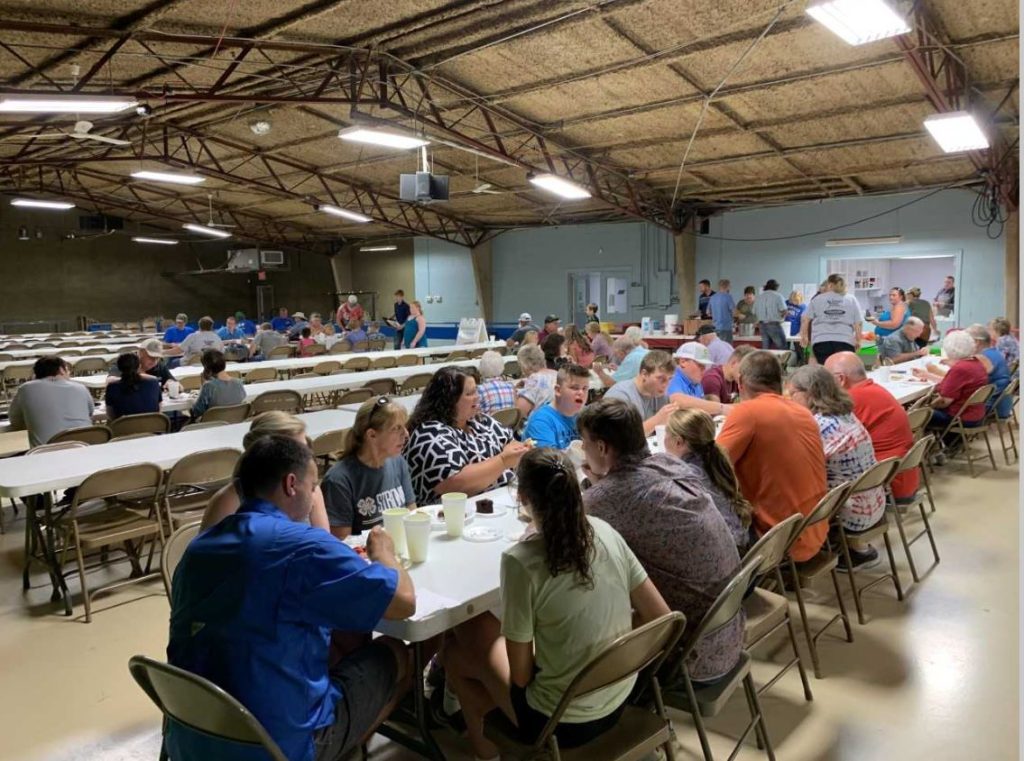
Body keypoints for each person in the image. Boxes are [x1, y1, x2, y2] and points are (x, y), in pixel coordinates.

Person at [167, 435, 416, 761]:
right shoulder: (301, 545)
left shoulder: (199, 548)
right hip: (277, 746)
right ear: (291, 484)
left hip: (194, 734)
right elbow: (404, 602)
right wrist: (386, 552)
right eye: (313, 487)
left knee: (338, 641)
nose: (316, 496)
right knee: (396, 652)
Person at [440, 448, 670, 759]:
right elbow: (660, 616)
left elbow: (521, 677)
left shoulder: (520, 561)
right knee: (463, 656)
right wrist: (612, 653)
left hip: (560, 721)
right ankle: (494, 745)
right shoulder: (605, 532)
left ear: (522, 497)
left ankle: (491, 751)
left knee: (459, 646)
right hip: (621, 694)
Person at [578, 398, 743, 683]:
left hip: (689, 655)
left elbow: (549, 532)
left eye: (585, 443)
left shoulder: (605, 498)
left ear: (602, 447)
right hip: (728, 634)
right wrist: (601, 485)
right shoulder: (669, 464)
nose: (583, 449)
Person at [717, 351, 828, 562]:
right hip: (813, 529)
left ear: (740, 382)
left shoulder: (748, 412)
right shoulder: (803, 412)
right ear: (781, 381)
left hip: (778, 540)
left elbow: (711, 465)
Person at [787, 366, 885, 570]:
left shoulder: (819, 425)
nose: (789, 399)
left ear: (809, 393)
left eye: (792, 394)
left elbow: (794, 469)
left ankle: (794, 558)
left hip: (851, 513)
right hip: (874, 502)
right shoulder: (845, 414)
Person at [404, 366, 529, 505]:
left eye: (476, 391)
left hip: (499, 502)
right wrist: (502, 461)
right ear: (449, 400)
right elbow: (457, 484)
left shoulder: (480, 420)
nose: (477, 397)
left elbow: (511, 443)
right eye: (469, 394)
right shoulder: (428, 435)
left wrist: (503, 459)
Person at [202, 410, 332, 531]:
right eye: (298, 451)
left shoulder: (309, 487)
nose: (306, 457)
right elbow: (207, 553)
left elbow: (326, 542)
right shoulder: (229, 500)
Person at [825, 352, 919, 504]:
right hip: (901, 477)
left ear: (840, 379)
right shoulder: (874, 390)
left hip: (885, 484)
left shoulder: (852, 400)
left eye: (826, 378)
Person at [322, 397, 417, 540]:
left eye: (404, 426)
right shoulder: (339, 480)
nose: (406, 434)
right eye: (396, 428)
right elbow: (341, 545)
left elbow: (412, 515)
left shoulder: (398, 462)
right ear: (372, 435)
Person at [662, 408, 754, 550]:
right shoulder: (714, 459)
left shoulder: (686, 476)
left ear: (678, 442)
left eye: (666, 433)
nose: (664, 438)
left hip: (726, 550)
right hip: (740, 539)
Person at [913, 330, 989, 434]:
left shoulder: (960, 369)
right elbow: (955, 384)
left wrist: (928, 406)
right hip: (977, 414)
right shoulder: (976, 363)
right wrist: (928, 375)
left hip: (961, 418)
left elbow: (944, 402)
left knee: (913, 415)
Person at [8, 356, 94, 447]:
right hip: (85, 447)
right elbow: (90, 412)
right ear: (61, 370)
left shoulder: (25, 389)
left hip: (46, 453)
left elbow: (15, 421)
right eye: (68, 370)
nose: (69, 374)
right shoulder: (81, 387)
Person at [605, 350, 675, 434]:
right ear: (644, 374)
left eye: (670, 379)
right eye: (661, 378)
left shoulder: (659, 395)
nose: (666, 384)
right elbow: (623, 437)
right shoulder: (620, 396)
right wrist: (658, 419)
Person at [521, 364, 590, 449]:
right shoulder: (541, 421)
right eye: (574, 388)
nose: (581, 393)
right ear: (558, 390)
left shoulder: (586, 415)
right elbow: (550, 461)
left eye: (585, 388)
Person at [800, 274, 862, 365]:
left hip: (821, 341)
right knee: (842, 370)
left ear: (829, 284)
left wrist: (804, 336)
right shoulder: (851, 299)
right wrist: (858, 340)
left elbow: (806, 319)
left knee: (826, 369)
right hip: (844, 340)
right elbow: (858, 323)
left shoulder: (817, 299)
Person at [669, 342, 732, 415]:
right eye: (700, 365)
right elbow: (678, 402)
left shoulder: (695, 382)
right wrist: (721, 408)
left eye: (704, 366)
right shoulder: (672, 377)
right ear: (683, 362)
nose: (704, 370)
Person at [966, 323, 1012, 419]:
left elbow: (963, 380)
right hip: (1001, 404)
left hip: (991, 406)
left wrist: (933, 373)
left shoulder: (984, 358)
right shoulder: (993, 353)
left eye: (966, 340)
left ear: (976, 342)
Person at [104, 352, 161, 421]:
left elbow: (111, 416)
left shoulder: (112, 387)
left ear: (119, 368)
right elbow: (158, 410)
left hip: (123, 430)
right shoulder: (153, 383)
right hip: (152, 428)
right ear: (139, 366)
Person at [190, 349, 246, 419]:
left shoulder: (209, 386)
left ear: (207, 368)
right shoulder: (239, 383)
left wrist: (203, 386)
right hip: (235, 421)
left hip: (213, 423)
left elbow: (197, 411)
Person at [106, 339, 174, 387]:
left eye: (157, 357)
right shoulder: (127, 361)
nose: (155, 361)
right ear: (140, 353)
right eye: (151, 357)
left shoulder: (159, 365)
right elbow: (110, 381)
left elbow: (172, 380)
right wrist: (141, 377)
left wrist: (171, 383)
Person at [515, 344, 558, 417]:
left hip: (542, 422)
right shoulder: (556, 373)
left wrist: (514, 393)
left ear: (525, 365)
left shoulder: (534, 379)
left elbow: (520, 411)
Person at [477, 350, 517, 414]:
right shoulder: (511, 387)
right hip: (510, 423)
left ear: (481, 367)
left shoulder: (480, 390)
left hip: (489, 423)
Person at [753, 279, 788, 349]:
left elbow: (754, 311)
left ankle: (765, 360)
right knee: (782, 347)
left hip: (762, 325)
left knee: (765, 348)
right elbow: (784, 311)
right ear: (776, 287)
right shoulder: (778, 296)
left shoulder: (759, 297)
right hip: (774, 324)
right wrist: (783, 316)